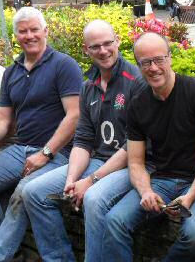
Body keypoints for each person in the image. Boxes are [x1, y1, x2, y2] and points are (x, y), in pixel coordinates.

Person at [20, 19, 148, 262]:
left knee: (93, 199)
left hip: (130, 164)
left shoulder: (137, 82)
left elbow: (133, 146)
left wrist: (89, 180)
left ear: (118, 41)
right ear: (85, 50)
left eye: (108, 43)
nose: (103, 51)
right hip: (97, 161)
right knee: (33, 192)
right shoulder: (88, 86)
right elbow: (82, 140)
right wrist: (71, 181)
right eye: (95, 46)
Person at [100, 32, 195, 262]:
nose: (153, 68)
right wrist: (146, 191)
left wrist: (190, 195)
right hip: (162, 180)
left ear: (170, 58)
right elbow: (135, 161)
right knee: (115, 220)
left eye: (159, 59)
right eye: (145, 62)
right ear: (138, 65)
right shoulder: (138, 103)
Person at [0, 6, 83, 261]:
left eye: (35, 29)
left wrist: (46, 153)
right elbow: (3, 120)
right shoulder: (12, 72)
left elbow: (75, 115)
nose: (29, 35)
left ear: (45, 31)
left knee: (25, 193)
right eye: (23, 31)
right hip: (20, 149)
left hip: (60, 153)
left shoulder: (63, 65)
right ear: (17, 37)